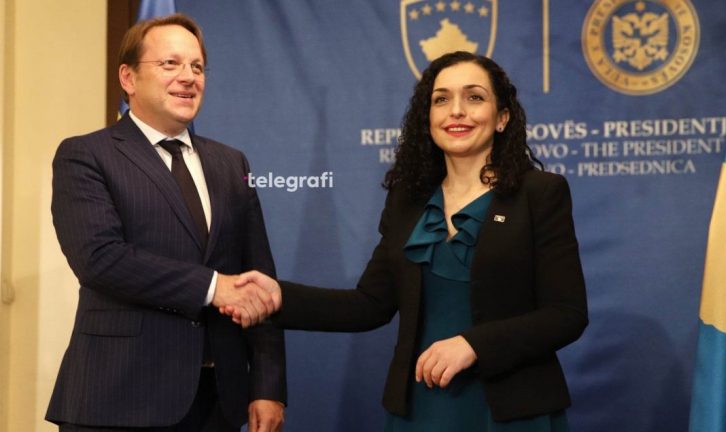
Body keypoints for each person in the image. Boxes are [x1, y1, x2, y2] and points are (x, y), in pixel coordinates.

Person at [232, 51, 588, 431]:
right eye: (441, 99)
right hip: (423, 406)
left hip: (512, 411)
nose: (456, 111)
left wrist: (474, 345)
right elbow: (368, 305)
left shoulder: (540, 193)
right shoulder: (408, 201)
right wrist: (278, 297)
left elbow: (566, 314)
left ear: (502, 118)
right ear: (428, 118)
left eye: (474, 97)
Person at [46, 13, 285, 432]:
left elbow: (257, 278)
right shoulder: (85, 155)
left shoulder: (232, 164)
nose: (188, 77)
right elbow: (100, 259)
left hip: (218, 401)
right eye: (170, 64)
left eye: (197, 67)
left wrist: (267, 386)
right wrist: (213, 287)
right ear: (128, 78)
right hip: (119, 397)